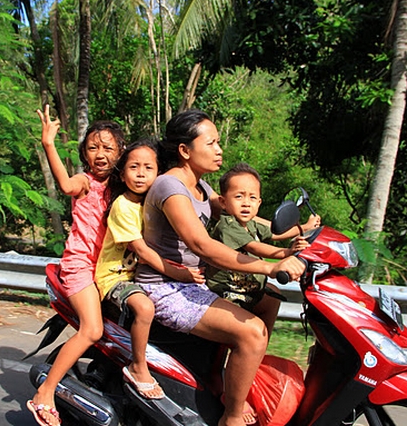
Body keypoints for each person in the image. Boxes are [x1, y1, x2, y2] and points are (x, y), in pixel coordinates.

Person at [135, 109, 305, 426]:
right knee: (253, 333)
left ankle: (230, 376)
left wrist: (296, 232)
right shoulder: (170, 187)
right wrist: (268, 267)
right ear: (185, 151)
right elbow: (202, 245)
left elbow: (238, 214)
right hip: (166, 287)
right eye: (211, 143)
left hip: (192, 282)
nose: (219, 149)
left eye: (218, 143)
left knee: (268, 299)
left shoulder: (201, 186)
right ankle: (232, 416)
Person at [28, 104, 125, 426]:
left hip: (109, 270)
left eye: (108, 148)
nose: (101, 154)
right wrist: (48, 143)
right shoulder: (84, 182)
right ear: (84, 153)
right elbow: (66, 186)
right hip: (80, 267)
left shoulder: (123, 187)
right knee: (92, 330)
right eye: (93, 148)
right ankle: (44, 392)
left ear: (120, 151)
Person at [94, 139, 205, 400]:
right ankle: (138, 366)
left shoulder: (154, 202)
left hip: (140, 275)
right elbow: (142, 251)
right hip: (116, 277)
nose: (141, 174)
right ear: (122, 174)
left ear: (159, 174)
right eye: (134, 167)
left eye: (148, 168)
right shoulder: (123, 206)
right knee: (145, 308)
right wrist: (178, 273)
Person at [206, 162, 315, 339]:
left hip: (247, 291)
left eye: (252, 198)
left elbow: (275, 233)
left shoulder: (251, 223)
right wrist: (287, 253)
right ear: (223, 202)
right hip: (228, 294)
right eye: (239, 197)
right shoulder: (228, 225)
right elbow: (254, 247)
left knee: (273, 298)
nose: (246, 203)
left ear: (259, 203)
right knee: (250, 333)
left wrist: (305, 228)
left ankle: (259, 350)